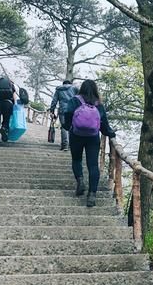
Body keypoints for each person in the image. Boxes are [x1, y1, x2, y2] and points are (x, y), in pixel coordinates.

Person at [63, 79, 115, 207]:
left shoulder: (75, 100)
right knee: (93, 165)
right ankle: (92, 194)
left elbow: (68, 116)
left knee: (76, 160)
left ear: (82, 89)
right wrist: (111, 133)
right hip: (92, 138)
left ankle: (80, 181)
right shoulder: (98, 104)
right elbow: (104, 126)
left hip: (76, 135)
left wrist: (68, 127)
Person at [49, 80, 78, 151]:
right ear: (70, 84)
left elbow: (54, 101)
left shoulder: (59, 89)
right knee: (73, 127)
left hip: (63, 110)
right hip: (73, 110)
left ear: (63, 84)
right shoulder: (74, 89)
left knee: (64, 127)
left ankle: (65, 145)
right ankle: (72, 145)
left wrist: (52, 111)